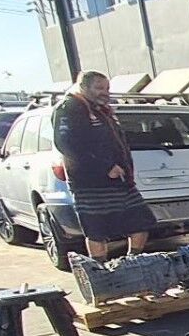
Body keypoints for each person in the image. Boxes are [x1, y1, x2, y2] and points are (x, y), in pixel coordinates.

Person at [54, 70, 155, 258]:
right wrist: (105, 167)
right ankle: (99, 267)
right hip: (90, 183)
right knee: (97, 230)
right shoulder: (70, 107)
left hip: (121, 180)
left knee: (141, 221)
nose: (105, 92)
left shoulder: (102, 110)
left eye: (107, 88)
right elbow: (67, 144)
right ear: (83, 87)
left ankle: (131, 260)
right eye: (99, 88)